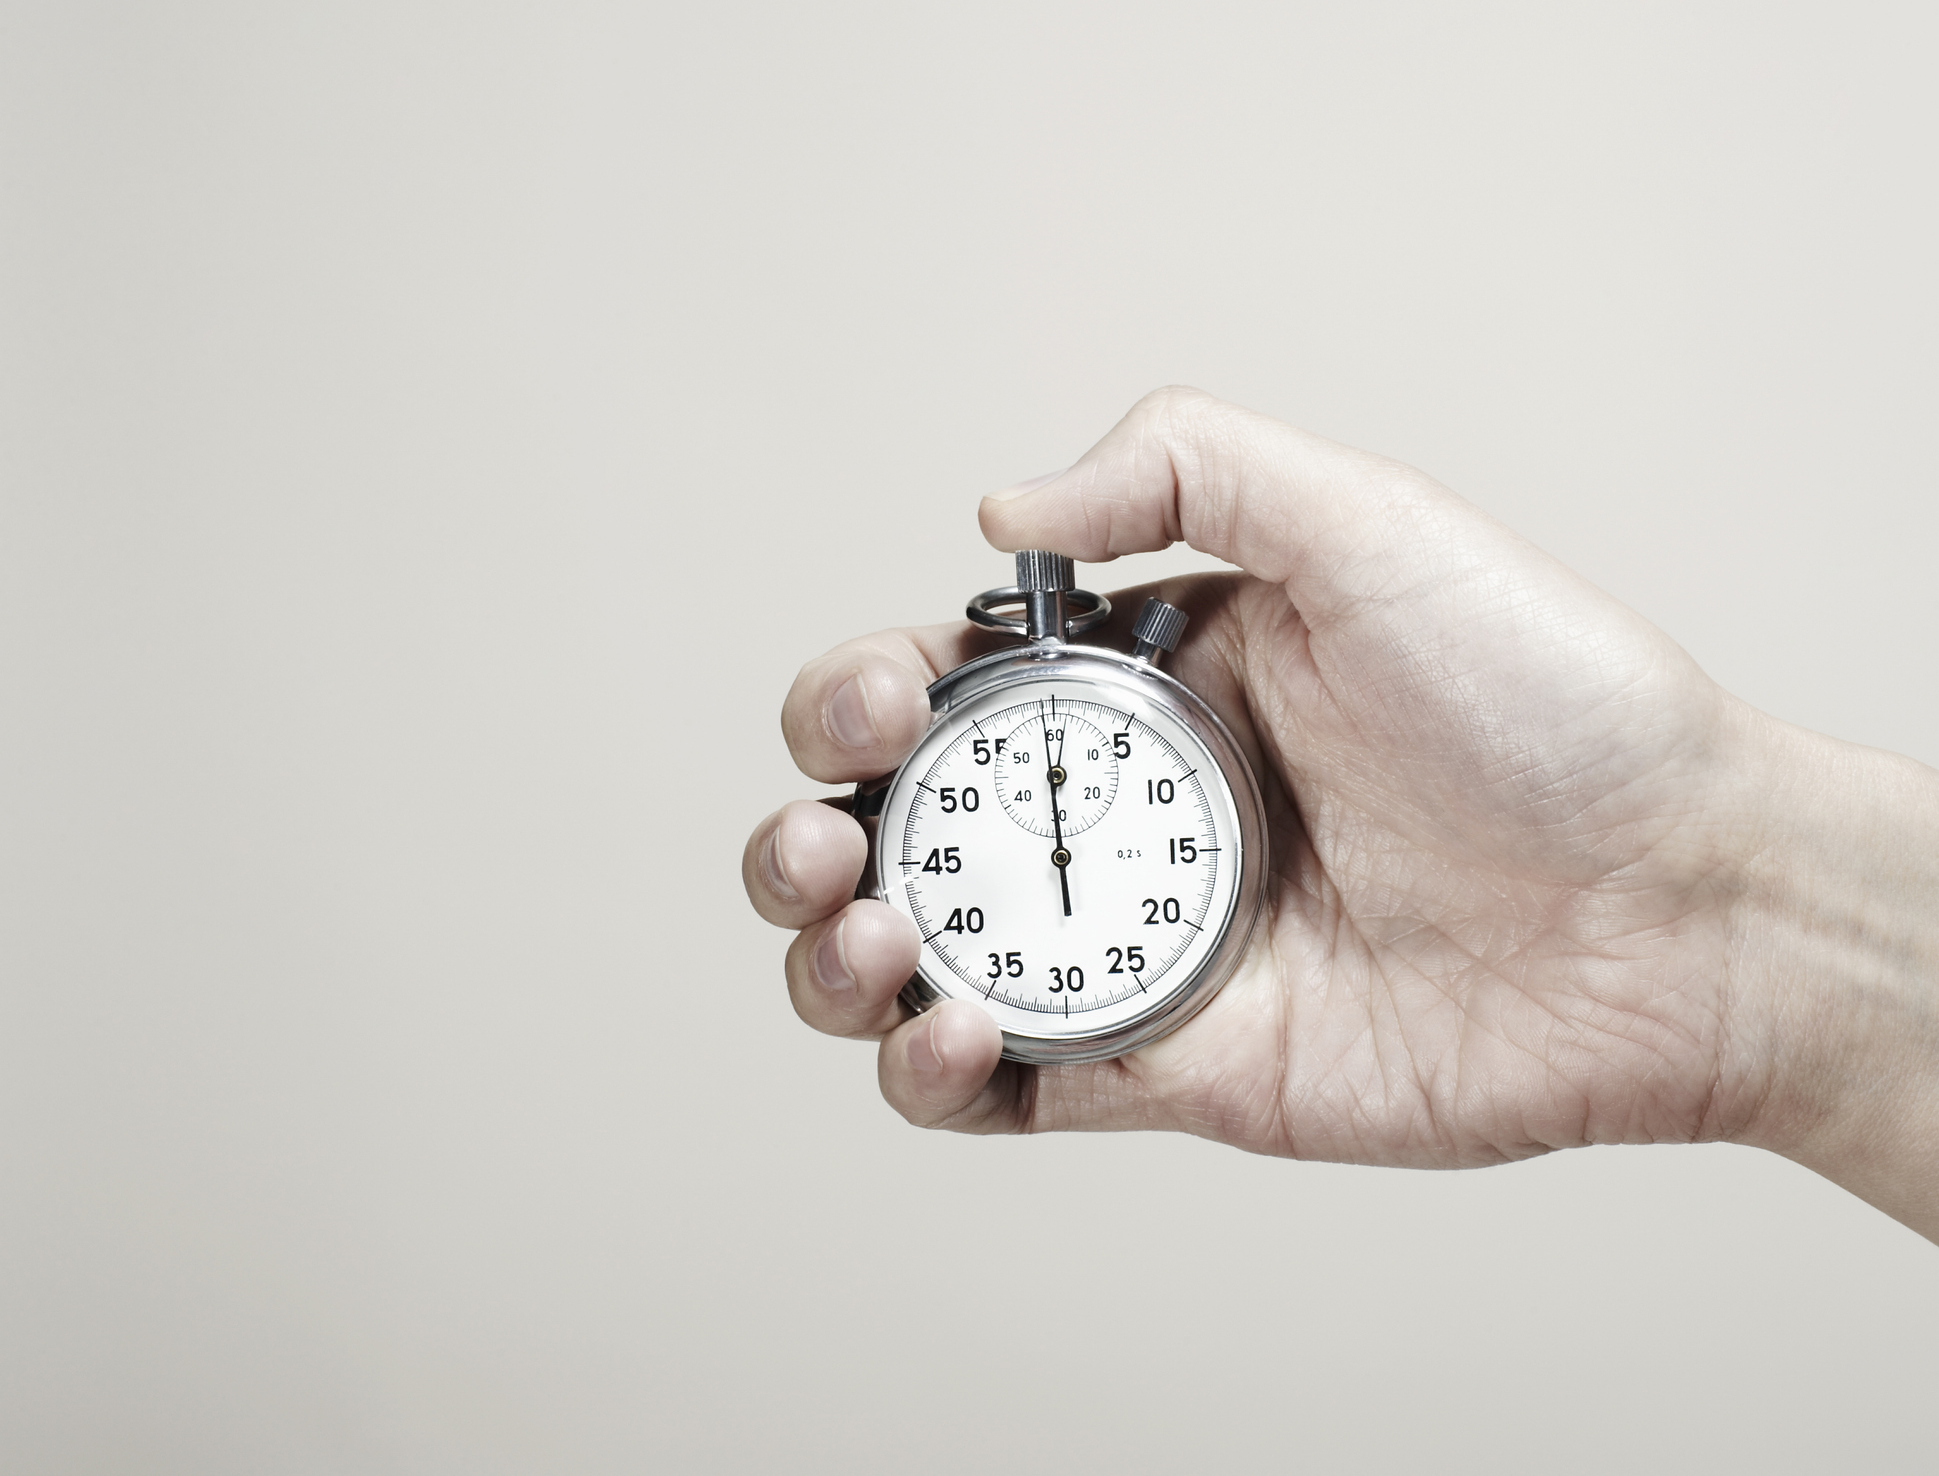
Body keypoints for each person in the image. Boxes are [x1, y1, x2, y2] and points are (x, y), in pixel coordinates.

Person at [741, 388, 1939, 1241]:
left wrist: (1718, 891)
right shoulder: (1005, 728)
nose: (1060, 849)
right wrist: (1748, 935)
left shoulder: (1207, 729)